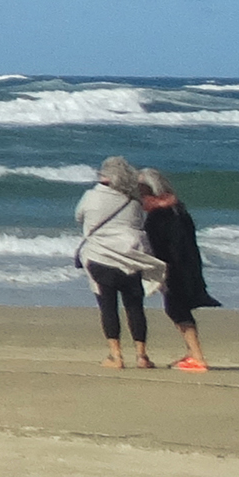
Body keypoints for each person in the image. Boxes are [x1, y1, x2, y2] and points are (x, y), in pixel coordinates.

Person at [75, 157, 171, 370]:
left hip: (100, 257)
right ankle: (142, 356)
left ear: (104, 176)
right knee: (135, 307)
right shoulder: (134, 201)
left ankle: (116, 356)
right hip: (131, 258)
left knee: (108, 307)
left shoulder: (90, 196)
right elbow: (138, 225)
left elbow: (79, 217)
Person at [140, 168, 218, 372]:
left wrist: (162, 268)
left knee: (177, 309)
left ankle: (198, 358)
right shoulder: (178, 210)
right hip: (188, 262)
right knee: (176, 308)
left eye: (141, 195)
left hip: (175, 265)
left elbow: (165, 245)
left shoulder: (160, 216)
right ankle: (193, 354)